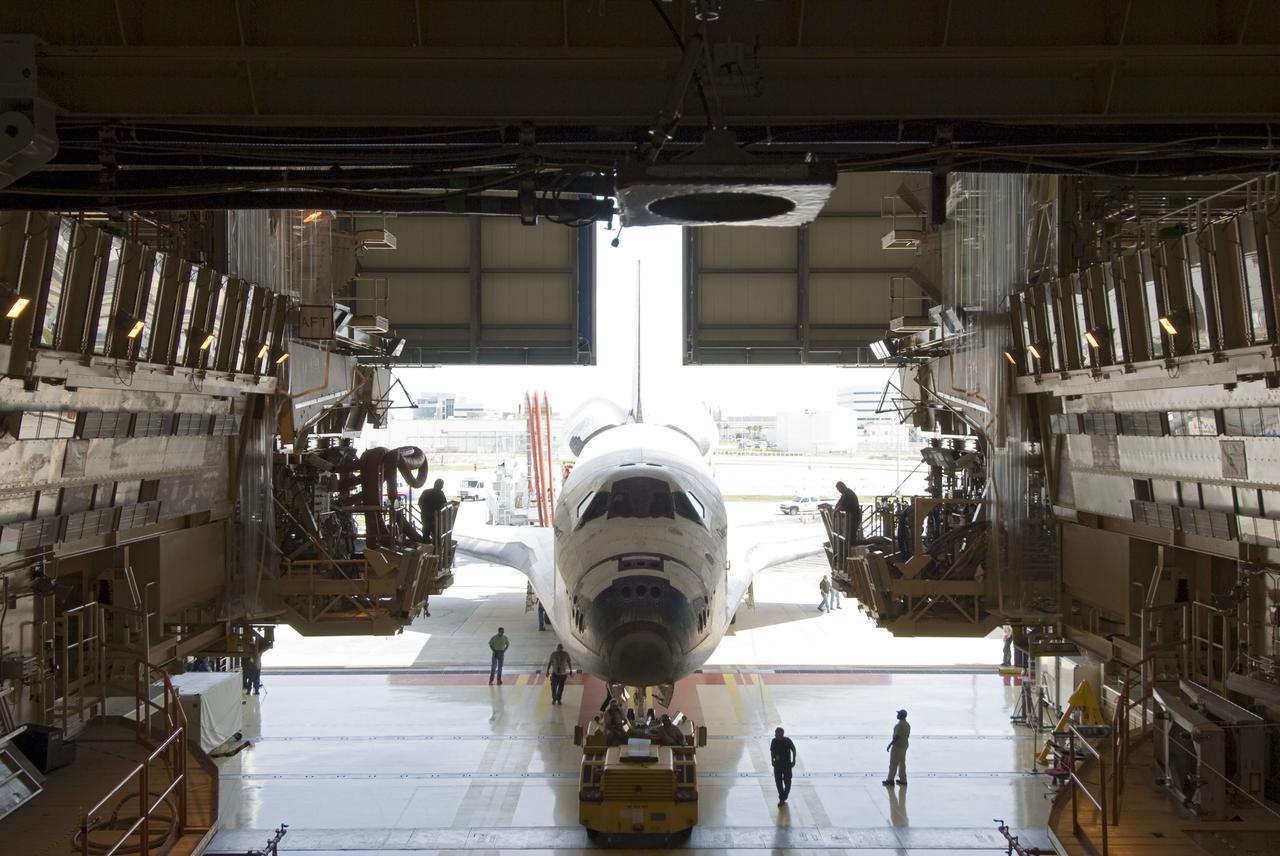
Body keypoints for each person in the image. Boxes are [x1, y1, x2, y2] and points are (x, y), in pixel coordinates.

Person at [770, 726, 797, 805]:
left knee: (788, 782)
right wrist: (772, 760)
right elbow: (772, 752)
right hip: (777, 765)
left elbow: (793, 750)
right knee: (778, 782)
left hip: (787, 765)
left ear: (781, 734)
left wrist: (794, 760)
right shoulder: (774, 741)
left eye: (776, 733)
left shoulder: (787, 741)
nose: (775, 735)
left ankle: (784, 795)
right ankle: (782, 798)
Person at [883, 709, 910, 786]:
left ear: (901, 715)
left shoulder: (899, 725)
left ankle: (890, 780)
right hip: (904, 745)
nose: (897, 715)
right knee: (902, 763)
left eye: (898, 714)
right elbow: (907, 736)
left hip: (898, 746)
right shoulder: (907, 724)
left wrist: (890, 744)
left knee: (893, 763)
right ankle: (903, 779)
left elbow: (897, 736)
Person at [418, 478, 448, 544]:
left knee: (425, 534)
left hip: (425, 516)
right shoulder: (440, 493)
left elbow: (419, 503)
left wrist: (424, 511)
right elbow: (444, 505)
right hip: (435, 517)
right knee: (437, 535)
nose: (443, 487)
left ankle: (426, 548)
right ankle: (436, 550)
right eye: (442, 485)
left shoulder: (426, 492)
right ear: (440, 486)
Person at [834, 481, 862, 546]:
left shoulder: (848, 493)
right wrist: (835, 510)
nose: (839, 491)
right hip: (852, 517)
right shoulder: (845, 493)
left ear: (842, 486)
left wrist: (835, 512)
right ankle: (850, 549)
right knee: (850, 535)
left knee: (852, 535)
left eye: (839, 489)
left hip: (854, 517)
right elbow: (839, 504)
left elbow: (841, 506)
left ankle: (852, 550)